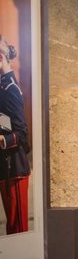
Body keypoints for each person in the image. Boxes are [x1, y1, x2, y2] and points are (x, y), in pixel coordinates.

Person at [0, 35, 31, 234]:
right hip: (4, 166)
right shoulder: (3, 84)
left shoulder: (10, 87)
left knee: (17, 229)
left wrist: (2, 139)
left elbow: (22, 133)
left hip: (15, 168)